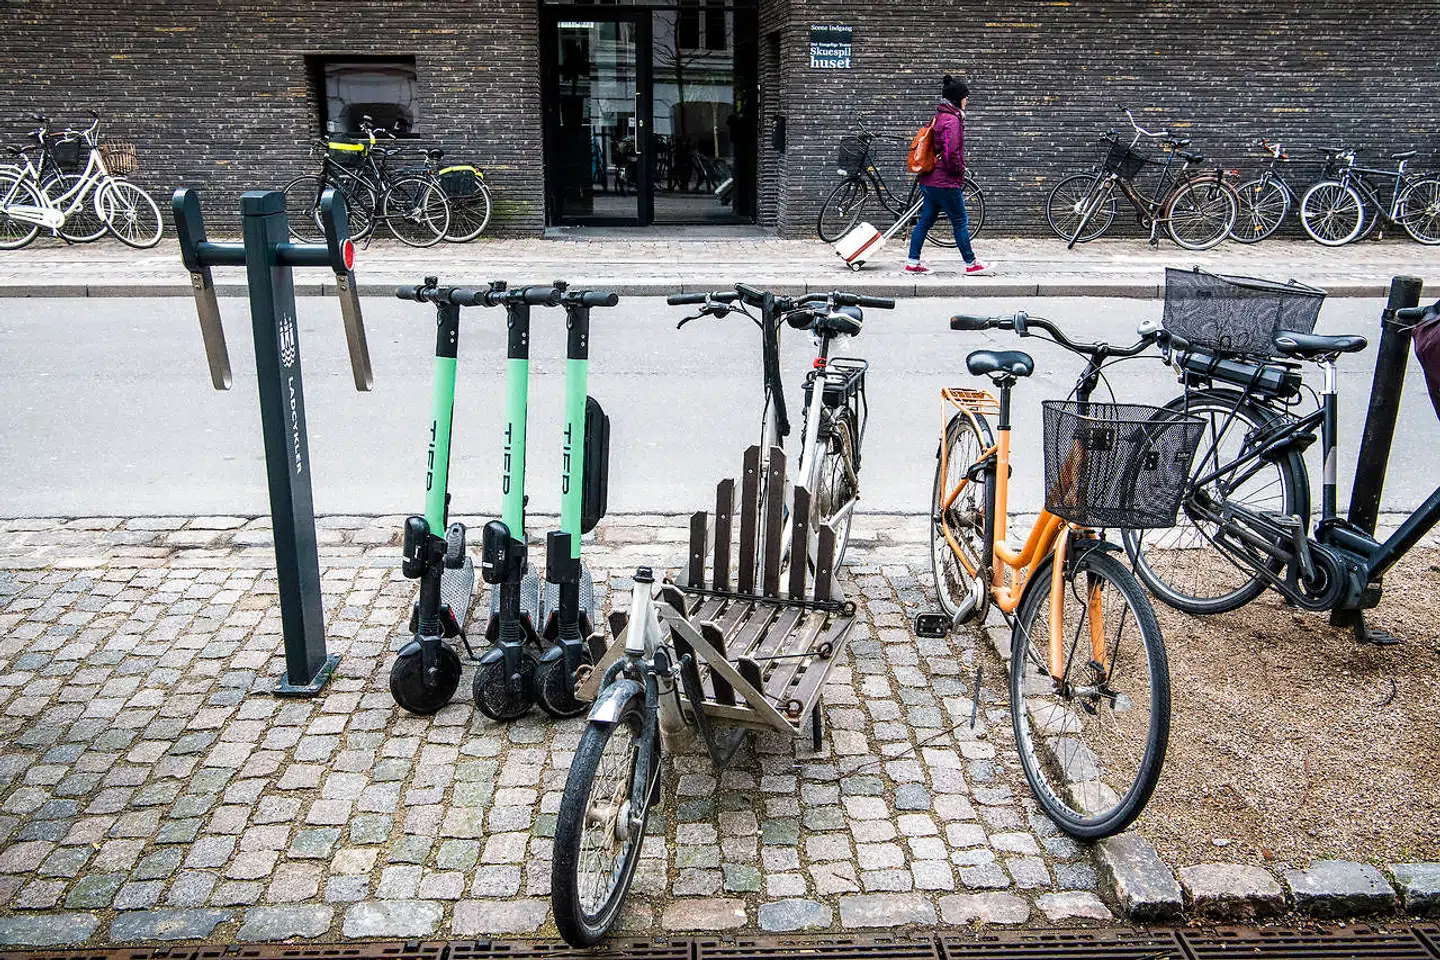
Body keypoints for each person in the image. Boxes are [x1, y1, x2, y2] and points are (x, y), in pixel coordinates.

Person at [905, 75, 989, 276]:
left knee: (925, 221)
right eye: (965, 97)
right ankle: (971, 263)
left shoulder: (939, 116)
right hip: (945, 182)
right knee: (960, 221)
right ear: (958, 99)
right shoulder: (952, 120)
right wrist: (960, 170)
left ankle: (912, 262)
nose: (966, 101)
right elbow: (952, 153)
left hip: (929, 180)